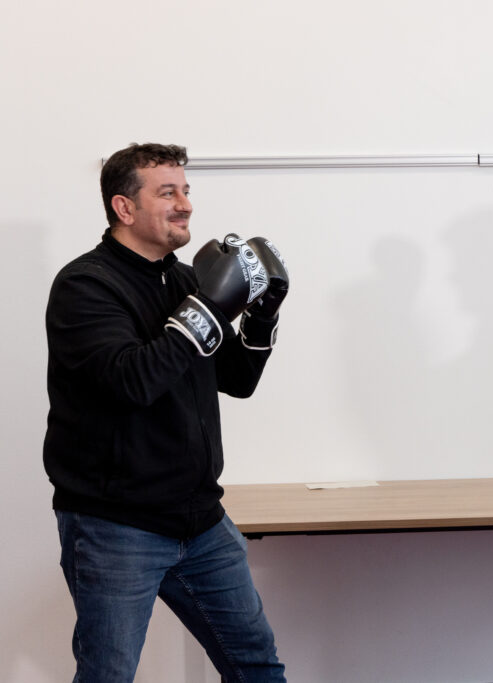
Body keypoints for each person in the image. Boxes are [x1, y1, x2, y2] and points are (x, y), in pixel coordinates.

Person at [44, 143, 289, 682]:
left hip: (202, 521)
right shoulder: (84, 286)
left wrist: (261, 318)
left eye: (186, 191)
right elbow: (134, 382)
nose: (185, 205)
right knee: (108, 676)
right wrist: (207, 310)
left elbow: (236, 381)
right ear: (124, 208)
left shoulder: (182, 280)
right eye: (167, 192)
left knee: (257, 668)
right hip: (116, 527)